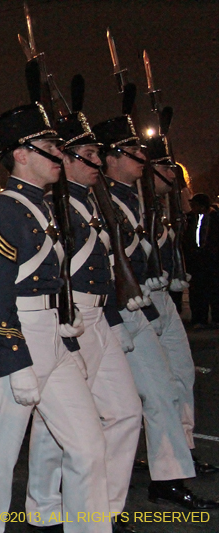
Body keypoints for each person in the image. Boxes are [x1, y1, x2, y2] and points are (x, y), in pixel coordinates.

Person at [0, 102, 111, 533]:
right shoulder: (1, 211)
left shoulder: (47, 206)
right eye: (49, 146)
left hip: (52, 338)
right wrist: (15, 362)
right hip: (16, 340)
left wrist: (65, 337)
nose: (57, 156)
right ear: (21, 154)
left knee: (88, 448)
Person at [25, 97, 142, 532]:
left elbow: (107, 266)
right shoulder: (53, 205)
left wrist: (112, 320)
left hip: (98, 317)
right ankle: (43, 509)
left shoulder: (94, 201)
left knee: (126, 411)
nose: (97, 161)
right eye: (88, 155)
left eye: (97, 154)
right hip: (66, 318)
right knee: (57, 425)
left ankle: (103, 507)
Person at [93, 110, 216, 509]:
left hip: (154, 297)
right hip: (128, 304)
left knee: (178, 381)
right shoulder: (103, 199)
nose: (140, 158)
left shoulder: (142, 197)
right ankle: (165, 476)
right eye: (131, 150)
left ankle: (176, 460)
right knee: (156, 393)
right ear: (109, 157)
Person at [146, 132, 217, 474]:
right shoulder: (129, 206)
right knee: (151, 390)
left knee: (182, 375)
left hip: (163, 297)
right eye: (164, 167)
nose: (173, 174)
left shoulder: (167, 206)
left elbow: (185, 210)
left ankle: (182, 449)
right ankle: (161, 464)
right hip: (138, 302)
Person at [185, 193, 219, 327]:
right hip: (197, 261)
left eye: (195, 205)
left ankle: (215, 318)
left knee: (213, 290)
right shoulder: (192, 218)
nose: (192, 208)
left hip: (212, 261)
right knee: (198, 291)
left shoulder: (215, 219)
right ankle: (199, 318)